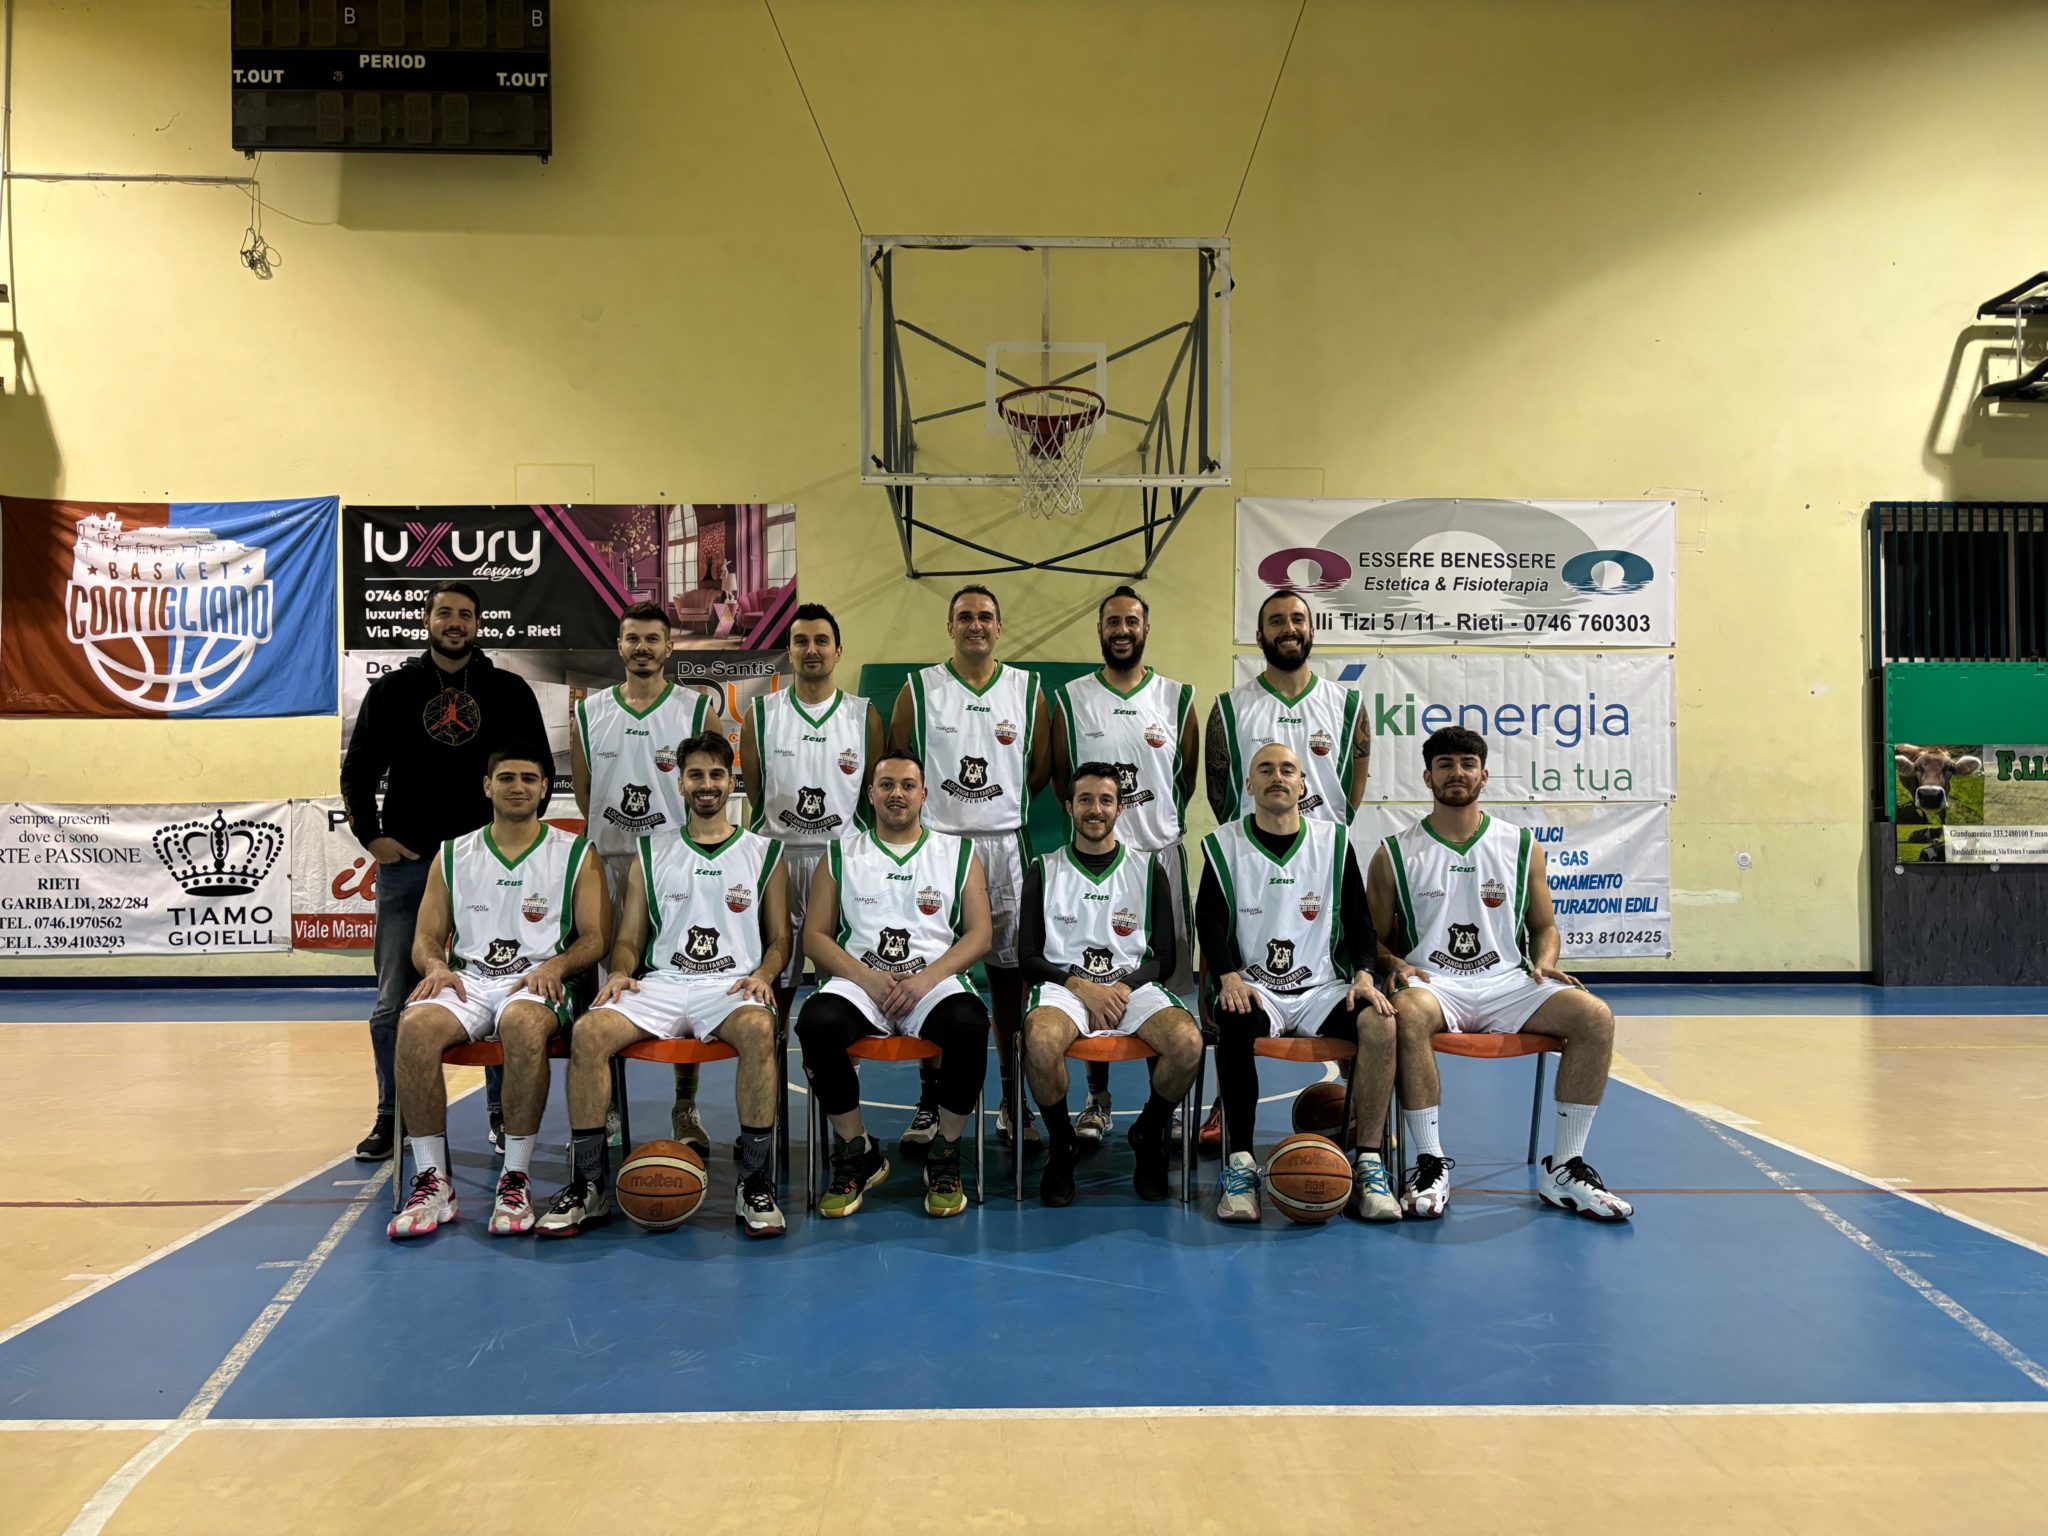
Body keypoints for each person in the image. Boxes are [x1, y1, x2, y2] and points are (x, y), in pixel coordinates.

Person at [1368, 727, 1632, 1222]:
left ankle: (1565, 1168)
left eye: (1467, 764)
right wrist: (1394, 963)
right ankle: (1429, 1162)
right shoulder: (1394, 853)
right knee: (1407, 1013)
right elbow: (1373, 942)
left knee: (1594, 1016)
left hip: (1508, 982)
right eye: (1445, 764)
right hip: (1435, 985)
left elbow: (1544, 926)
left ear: (1484, 775)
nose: (1457, 772)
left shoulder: (1520, 845)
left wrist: (1545, 961)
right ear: (1427, 777)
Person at [534, 731, 792, 1238]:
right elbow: (629, 938)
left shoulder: (765, 852)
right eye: (696, 775)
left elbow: (780, 939)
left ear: (732, 782)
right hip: (664, 983)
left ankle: (755, 1182)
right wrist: (621, 972)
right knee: (588, 1032)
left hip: (731, 985)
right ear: (680, 783)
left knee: (760, 1030)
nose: (706, 784)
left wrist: (764, 975)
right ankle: (589, 1184)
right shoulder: (650, 852)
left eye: (716, 774)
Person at [341, 580, 553, 1163]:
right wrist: (371, 835)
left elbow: (537, 768)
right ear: (427, 620)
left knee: (501, 988)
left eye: (465, 614)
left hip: (493, 866)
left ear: (478, 624)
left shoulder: (508, 691)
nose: (454, 622)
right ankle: (394, 1116)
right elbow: (358, 772)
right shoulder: (393, 691)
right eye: (444, 613)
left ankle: (501, 1114)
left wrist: (524, 847)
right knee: (394, 999)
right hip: (412, 865)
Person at [385, 748, 608, 1240]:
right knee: (415, 1025)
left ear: (545, 788)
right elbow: (425, 937)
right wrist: (436, 966)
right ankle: (433, 1181)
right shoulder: (453, 854)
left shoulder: (575, 852)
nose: (518, 786)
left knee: (522, 1023)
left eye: (529, 778)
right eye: (506, 778)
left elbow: (596, 938)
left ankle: (515, 1177)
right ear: (487, 786)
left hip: (539, 980)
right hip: (469, 981)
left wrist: (556, 965)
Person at [1196, 587, 1371, 1153]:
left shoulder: (1346, 705)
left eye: (1298, 618)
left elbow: (1352, 787)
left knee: (1352, 999)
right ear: (1260, 634)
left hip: (1319, 868)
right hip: (1252, 865)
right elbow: (1219, 792)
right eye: (1276, 620)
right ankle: (1226, 1108)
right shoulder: (1231, 707)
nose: (1288, 628)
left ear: (1312, 629)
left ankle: (1359, 1113)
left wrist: (1318, 834)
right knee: (1233, 999)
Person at [1198, 743, 1400, 1225]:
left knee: (1381, 1022)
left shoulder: (1333, 841)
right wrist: (1228, 974)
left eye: (1288, 770)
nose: (1278, 777)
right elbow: (1209, 919)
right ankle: (1240, 1165)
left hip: (1322, 989)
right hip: (1255, 986)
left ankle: (1369, 1163)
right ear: (1249, 785)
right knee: (1233, 1018)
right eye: (1265, 770)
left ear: (1303, 783)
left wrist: (1365, 974)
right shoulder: (1224, 844)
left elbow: (1360, 922)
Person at [796, 750, 993, 1219]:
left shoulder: (958, 853)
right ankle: (856, 1150)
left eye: (907, 785)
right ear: (870, 794)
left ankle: (945, 1152)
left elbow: (980, 934)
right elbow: (815, 936)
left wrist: (926, 979)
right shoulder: (841, 854)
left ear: (923, 794)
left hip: (932, 982)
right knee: (816, 1022)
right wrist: (866, 977)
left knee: (969, 1024)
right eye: (886, 785)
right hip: (862, 982)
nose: (897, 794)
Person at [889, 584, 1050, 1154]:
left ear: (999, 627)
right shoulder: (918, 690)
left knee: (1009, 983)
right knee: (927, 976)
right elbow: (900, 764)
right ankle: (929, 1100)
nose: (975, 624)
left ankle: (1011, 1098)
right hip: (935, 849)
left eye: (985, 616)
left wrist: (997, 808)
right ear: (950, 626)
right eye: (964, 616)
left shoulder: (1028, 689)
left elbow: (1040, 767)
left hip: (1004, 847)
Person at [1047, 585, 1198, 1146]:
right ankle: (1097, 1099)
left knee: (1168, 982)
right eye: (1113, 621)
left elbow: (1184, 780)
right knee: (1094, 971)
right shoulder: (1072, 699)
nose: (1122, 630)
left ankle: (1168, 1105)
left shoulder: (1176, 698)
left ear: (1145, 629)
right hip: (1094, 863)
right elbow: (1062, 779)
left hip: (1157, 856)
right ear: (1100, 630)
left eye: (1132, 621)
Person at [570, 600, 715, 1154]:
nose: (643, 648)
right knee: (608, 986)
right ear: (620, 645)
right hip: (609, 863)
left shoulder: (696, 710)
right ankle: (605, 1105)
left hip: (677, 865)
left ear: (669, 647)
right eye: (633, 638)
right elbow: (586, 794)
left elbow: (711, 786)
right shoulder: (590, 712)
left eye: (653, 639)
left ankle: (686, 1103)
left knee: (684, 977)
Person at [1020, 763, 1202, 1206]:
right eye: (1085, 799)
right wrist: (1082, 987)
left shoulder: (1147, 868)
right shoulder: (1044, 869)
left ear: (1120, 808)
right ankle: (1062, 1144)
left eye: (1105, 800)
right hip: (1065, 989)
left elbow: (1165, 958)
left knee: (1187, 1043)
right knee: (1040, 1041)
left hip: (1131, 988)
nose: (1095, 809)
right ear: (1069, 807)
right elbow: (1028, 958)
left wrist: (1122, 987)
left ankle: (1148, 1132)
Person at [740, 601, 884, 1042]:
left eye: (822, 640)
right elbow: (756, 792)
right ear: (789, 650)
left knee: (844, 986)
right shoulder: (761, 714)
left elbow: (873, 797)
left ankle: (840, 1078)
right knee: (773, 981)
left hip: (841, 864)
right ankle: (772, 1073)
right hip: (778, 861)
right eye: (801, 641)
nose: (811, 649)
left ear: (839, 651)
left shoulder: (863, 715)